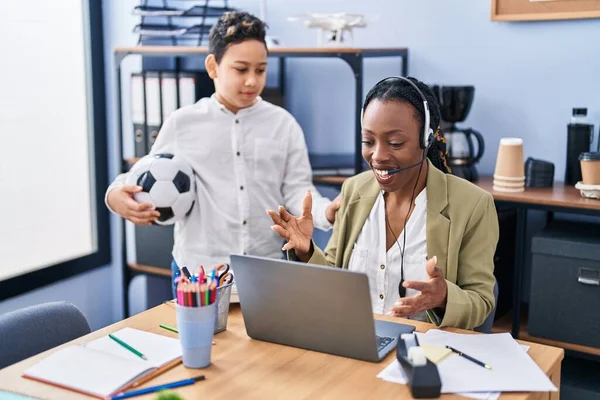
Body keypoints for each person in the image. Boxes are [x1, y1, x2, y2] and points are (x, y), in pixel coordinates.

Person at [105, 11, 340, 284]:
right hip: (199, 272)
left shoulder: (283, 125)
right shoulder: (183, 123)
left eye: (260, 70)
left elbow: (297, 190)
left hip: (266, 270)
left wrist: (325, 212)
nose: (252, 80)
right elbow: (145, 173)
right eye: (241, 69)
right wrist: (114, 196)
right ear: (213, 66)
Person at [267, 76, 498, 330]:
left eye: (395, 143)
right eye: (368, 141)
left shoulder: (473, 205)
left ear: (426, 140)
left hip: (423, 351)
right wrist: (306, 251)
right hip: (354, 340)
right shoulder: (355, 190)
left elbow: (481, 301)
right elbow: (335, 275)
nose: (377, 156)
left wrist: (443, 298)